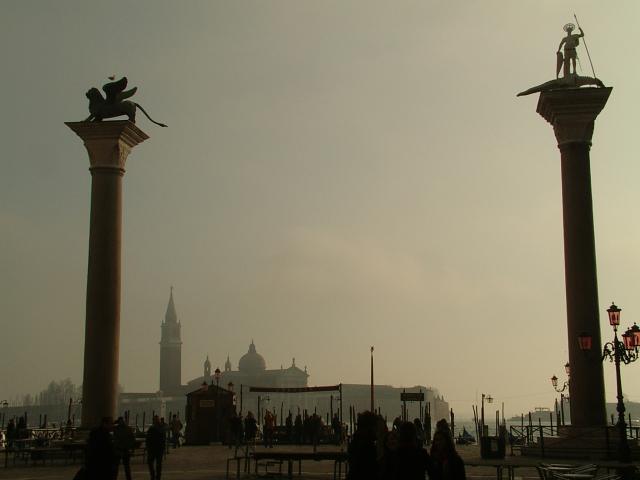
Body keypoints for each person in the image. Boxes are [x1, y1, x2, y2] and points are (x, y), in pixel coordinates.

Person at [346, 411, 378, 480]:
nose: (377, 430)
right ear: (370, 427)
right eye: (375, 427)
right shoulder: (367, 446)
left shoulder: (356, 441)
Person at [146, 415, 166, 480]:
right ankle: (156, 477)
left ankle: (154, 476)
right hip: (157, 449)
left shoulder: (152, 429)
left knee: (153, 463)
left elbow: (148, 439)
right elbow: (163, 439)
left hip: (155, 449)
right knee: (157, 464)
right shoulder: (161, 428)